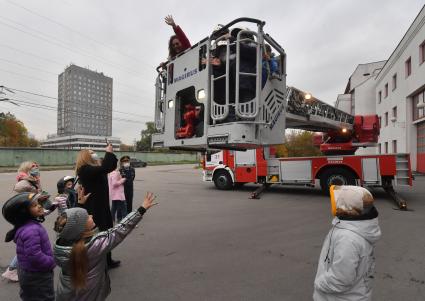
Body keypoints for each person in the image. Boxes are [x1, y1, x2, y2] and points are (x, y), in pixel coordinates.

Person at [53, 192, 157, 301]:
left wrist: (80, 205)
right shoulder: (95, 245)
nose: (91, 215)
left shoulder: (62, 241)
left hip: (65, 294)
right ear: (82, 229)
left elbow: (70, 225)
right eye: (87, 217)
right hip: (91, 294)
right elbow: (120, 229)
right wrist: (141, 209)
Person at [313, 185, 382, 301]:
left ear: (348, 207)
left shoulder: (347, 238)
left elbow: (341, 279)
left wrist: (319, 283)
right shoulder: (355, 227)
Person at [2, 161, 51, 283]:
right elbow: (23, 198)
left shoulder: (33, 180)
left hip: (30, 214)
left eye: (37, 167)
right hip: (25, 216)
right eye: (33, 167)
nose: (36, 169)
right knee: (28, 245)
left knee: (26, 245)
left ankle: (12, 269)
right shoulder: (25, 183)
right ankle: (12, 269)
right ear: (27, 169)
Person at [2, 192, 56, 301]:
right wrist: (50, 262)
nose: (40, 206)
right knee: (43, 297)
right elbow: (34, 256)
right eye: (34, 205)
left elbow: (44, 211)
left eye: (38, 203)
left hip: (28, 271)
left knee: (30, 296)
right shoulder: (31, 230)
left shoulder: (26, 224)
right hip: (37, 274)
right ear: (24, 213)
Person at [75, 144, 121, 269]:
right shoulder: (85, 169)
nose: (94, 153)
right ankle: (97, 263)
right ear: (85, 156)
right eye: (91, 152)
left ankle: (107, 260)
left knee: (107, 232)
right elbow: (106, 167)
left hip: (103, 206)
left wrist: (110, 155)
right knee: (98, 235)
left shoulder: (94, 168)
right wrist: (108, 152)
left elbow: (109, 167)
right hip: (94, 208)